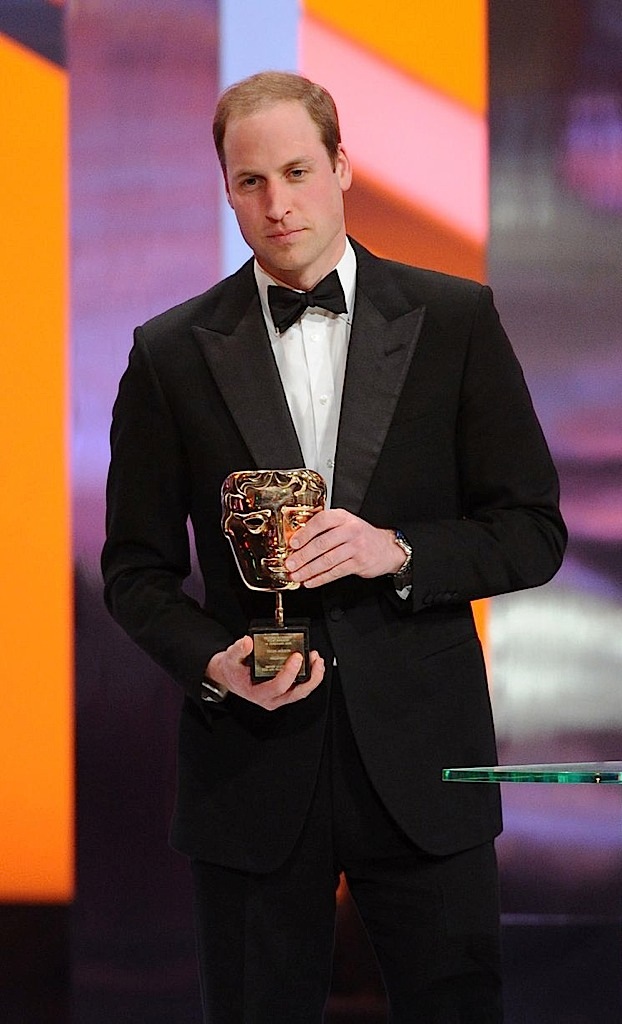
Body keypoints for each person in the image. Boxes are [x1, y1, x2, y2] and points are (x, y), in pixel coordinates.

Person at [102, 71, 566, 1023]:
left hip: (425, 763)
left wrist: (395, 551)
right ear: (227, 191)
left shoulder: (455, 320)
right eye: (251, 182)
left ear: (343, 166)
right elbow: (134, 571)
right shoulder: (170, 353)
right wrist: (214, 663)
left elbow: (532, 531)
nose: (278, 204)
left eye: (298, 172)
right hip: (249, 767)